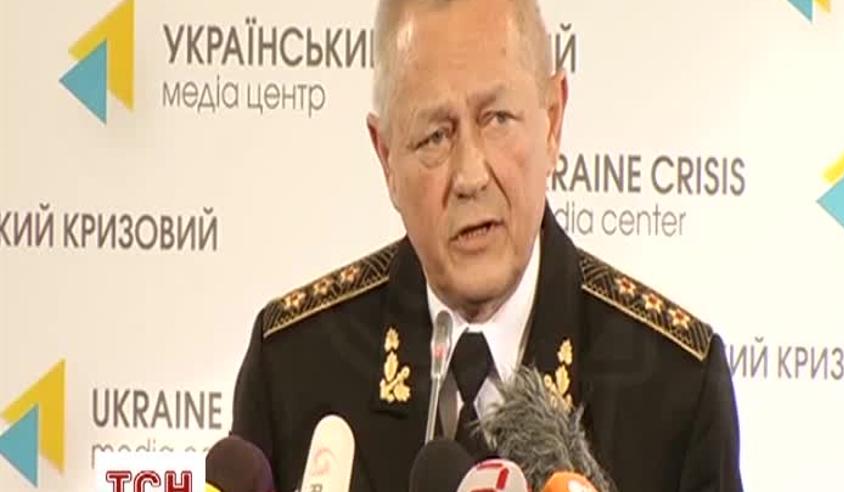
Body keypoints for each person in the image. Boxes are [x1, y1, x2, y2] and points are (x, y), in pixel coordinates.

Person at [231, 0, 743, 490]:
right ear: (386, 157)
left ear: (552, 121)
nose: (470, 176)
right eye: (434, 136)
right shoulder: (293, 368)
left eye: (497, 119)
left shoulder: (676, 388)